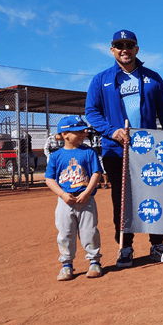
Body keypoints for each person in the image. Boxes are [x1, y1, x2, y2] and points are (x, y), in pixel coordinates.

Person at [85, 29, 163, 267]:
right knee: (122, 200)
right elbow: (92, 113)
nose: (124, 49)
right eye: (119, 45)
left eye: (129, 45)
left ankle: (158, 244)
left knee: (154, 196)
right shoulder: (101, 79)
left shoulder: (153, 78)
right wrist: (111, 131)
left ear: (137, 49)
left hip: (148, 150)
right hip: (117, 151)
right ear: (112, 50)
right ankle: (125, 247)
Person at [44, 115, 103, 281]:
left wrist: (87, 192)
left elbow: (96, 174)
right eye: (78, 131)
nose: (83, 134)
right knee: (65, 233)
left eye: (84, 131)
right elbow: (49, 179)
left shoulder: (89, 152)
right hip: (65, 201)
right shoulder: (56, 156)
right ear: (65, 135)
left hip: (86, 200)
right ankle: (67, 265)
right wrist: (62, 194)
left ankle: (94, 262)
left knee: (90, 231)